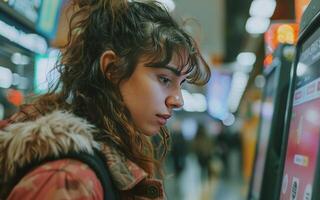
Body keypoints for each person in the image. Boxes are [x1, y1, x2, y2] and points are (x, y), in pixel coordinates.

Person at [0, 0, 210, 199]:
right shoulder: (69, 181)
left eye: (180, 84)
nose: (178, 100)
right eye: (164, 79)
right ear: (112, 68)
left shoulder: (110, 158)